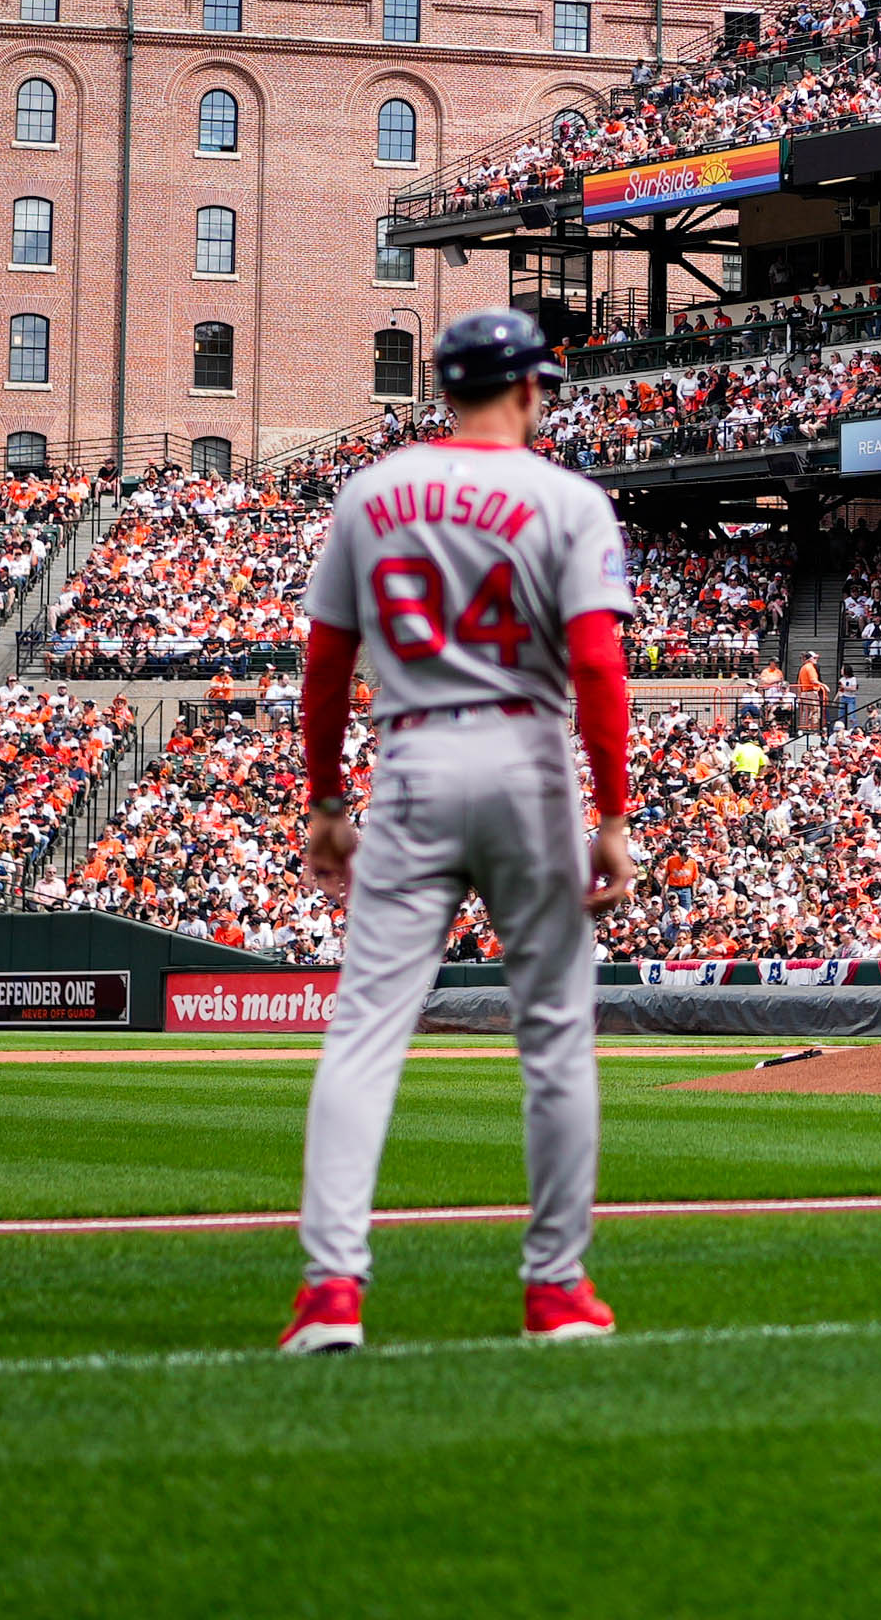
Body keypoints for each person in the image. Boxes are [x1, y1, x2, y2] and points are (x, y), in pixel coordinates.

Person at [281, 307, 636, 1355]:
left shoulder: (371, 492)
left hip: (414, 756)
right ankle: (556, 1290)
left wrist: (326, 801)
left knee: (365, 1031)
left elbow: (326, 665)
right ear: (528, 390)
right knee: (557, 1037)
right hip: (526, 757)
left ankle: (330, 1295)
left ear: (443, 389)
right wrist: (611, 815)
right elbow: (599, 670)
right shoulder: (568, 498)